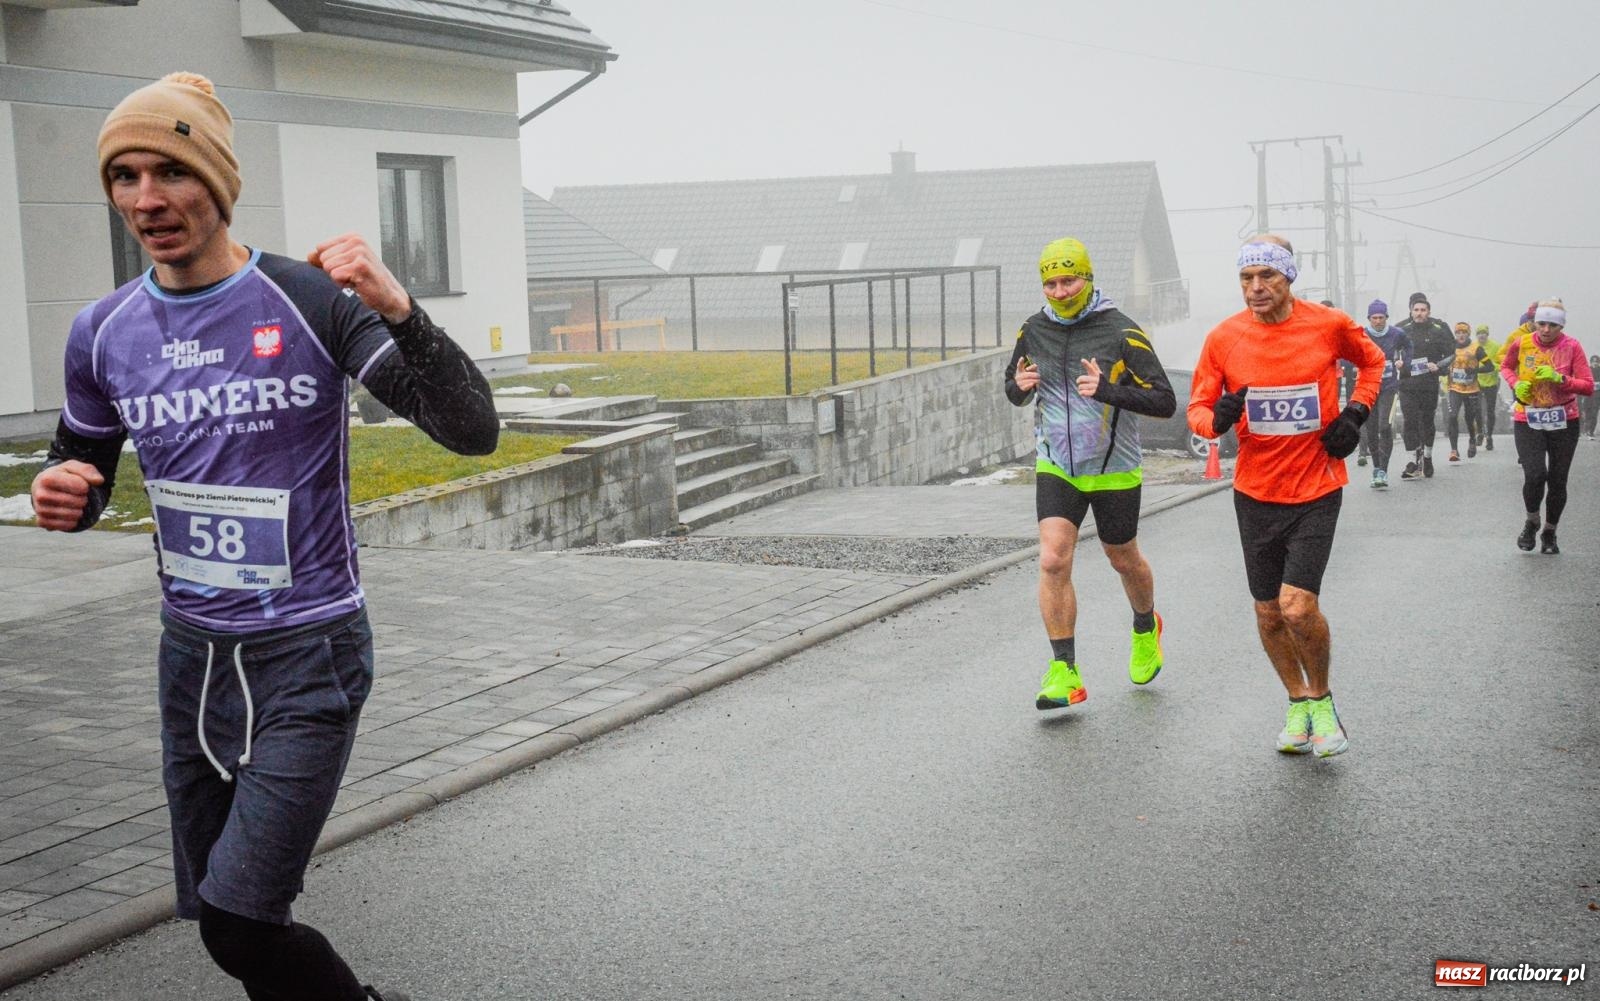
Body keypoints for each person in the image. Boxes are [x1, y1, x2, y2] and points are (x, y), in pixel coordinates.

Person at [29, 72, 499, 1001]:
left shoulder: (309, 300)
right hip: (191, 659)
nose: (147, 199)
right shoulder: (102, 332)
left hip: (308, 651)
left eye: (171, 171)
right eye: (124, 176)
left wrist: (401, 310)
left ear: (218, 181)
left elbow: (471, 429)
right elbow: (80, 470)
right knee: (228, 923)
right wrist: (63, 493)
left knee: (242, 917)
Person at [1188, 235, 1384, 757]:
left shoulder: (1329, 324)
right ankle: (1297, 701)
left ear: (1289, 277)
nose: (1256, 288)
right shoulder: (1224, 338)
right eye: (1246, 278)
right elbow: (1198, 410)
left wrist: (1356, 414)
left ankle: (1322, 699)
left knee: (1298, 607)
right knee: (1269, 612)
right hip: (1255, 492)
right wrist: (1216, 421)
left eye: (1267, 276)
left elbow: (1373, 363)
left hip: (1317, 486)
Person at [1004, 237, 1176, 710]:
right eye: (1051, 283)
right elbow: (1014, 388)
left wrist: (1107, 391)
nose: (1060, 292)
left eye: (1069, 281)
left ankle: (1146, 626)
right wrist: (1018, 387)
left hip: (1113, 467)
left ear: (1088, 278)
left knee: (1123, 558)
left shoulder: (1122, 331)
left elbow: (1164, 401)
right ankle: (1065, 671)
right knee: (1053, 559)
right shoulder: (1032, 329)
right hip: (1056, 463)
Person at [1501, 299, 1594, 554]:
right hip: (1528, 417)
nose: (1546, 329)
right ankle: (1532, 521)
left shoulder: (1572, 346)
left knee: (1557, 480)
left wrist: (1561, 379)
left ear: (1561, 326)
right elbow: (1506, 366)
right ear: (1535, 323)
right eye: (1541, 323)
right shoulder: (1522, 343)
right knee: (1534, 475)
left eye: (1552, 325)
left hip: (1565, 419)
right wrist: (1515, 383)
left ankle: (1550, 532)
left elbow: (1587, 385)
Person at [1393, 292, 1454, 479]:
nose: (1419, 313)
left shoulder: (1438, 329)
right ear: (1411, 311)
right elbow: (1392, 350)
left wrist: (1438, 366)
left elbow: (1451, 353)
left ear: (1428, 311)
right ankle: (1412, 461)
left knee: (1427, 421)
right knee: (1409, 421)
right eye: (1416, 310)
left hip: (1428, 383)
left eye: (1423, 310)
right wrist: (1397, 361)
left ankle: (1427, 456)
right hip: (1407, 383)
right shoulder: (1401, 329)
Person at [1358, 299, 1411, 488]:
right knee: (1371, 429)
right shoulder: (1362, 334)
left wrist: (1404, 362)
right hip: (1368, 388)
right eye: (1374, 318)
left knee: (1384, 427)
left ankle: (1383, 471)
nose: (1378, 321)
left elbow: (1409, 346)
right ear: (1369, 318)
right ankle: (1376, 468)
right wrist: (1354, 363)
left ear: (1386, 317)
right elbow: (1348, 352)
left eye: (1381, 317)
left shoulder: (1396, 334)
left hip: (1389, 387)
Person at [1444, 321, 1487, 461]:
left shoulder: (1476, 348)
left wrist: (1475, 370)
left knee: (1469, 418)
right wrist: (1443, 369)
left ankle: (1472, 440)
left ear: (1468, 334)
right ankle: (1454, 450)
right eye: (1458, 333)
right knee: (1452, 416)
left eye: (1464, 333)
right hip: (1454, 388)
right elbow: (1443, 363)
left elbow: (1490, 366)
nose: (1461, 335)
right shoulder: (1450, 347)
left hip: (1471, 389)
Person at [1474, 325, 1503, 450]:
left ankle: (1489, 436)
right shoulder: (1473, 346)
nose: (1482, 335)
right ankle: (1480, 433)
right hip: (1477, 382)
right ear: (1476, 335)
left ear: (1487, 334)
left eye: (1484, 333)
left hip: (1492, 382)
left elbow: (1503, 363)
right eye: (1479, 333)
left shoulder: (1496, 346)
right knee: (1477, 409)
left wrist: (1490, 367)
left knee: (1490, 411)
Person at [1583, 353, 1600, 440]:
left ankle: (1591, 431)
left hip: (1597, 395)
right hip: (1588, 395)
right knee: (1587, 412)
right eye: (1593, 362)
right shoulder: (1587, 370)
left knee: (1594, 413)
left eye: (1596, 362)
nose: (1595, 363)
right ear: (1591, 362)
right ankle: (1586, 430)